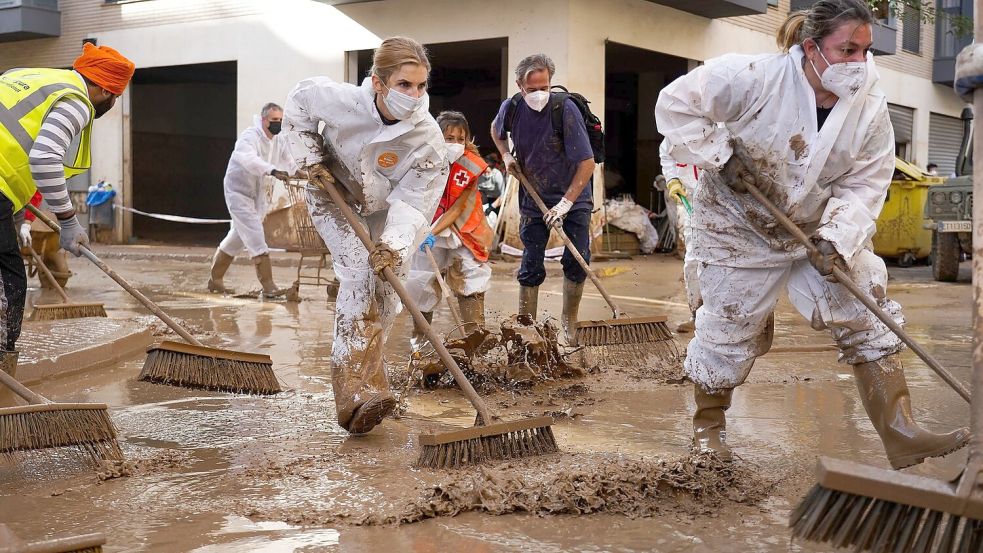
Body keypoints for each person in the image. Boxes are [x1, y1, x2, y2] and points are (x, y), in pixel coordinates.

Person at [655, 0, 969, 469]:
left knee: (867, 304)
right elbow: (675, 104)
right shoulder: (752, 76)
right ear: (811, 48)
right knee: (728, 324)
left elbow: (868, 180)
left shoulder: (870, 103)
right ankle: (708, 432)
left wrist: (836, 237)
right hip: (736, 223)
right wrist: (722, 154)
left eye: (865, 50)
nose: (858, 62)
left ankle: (901, 431)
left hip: (813, 227)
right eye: (846, 49)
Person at [282, 36, 448, 434]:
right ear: (378, 81)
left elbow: (414, 200)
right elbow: (298, 104)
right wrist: (310, 157)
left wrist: (393, 246)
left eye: (421, 85)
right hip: (332, 195)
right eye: (404, 85)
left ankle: (373, 382)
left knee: (388, 293)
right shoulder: (336, 99)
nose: (415, 94)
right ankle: (353, 394)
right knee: (357, 274)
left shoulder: (426, 136)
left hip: (386, 213)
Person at [0, 43, 134, 406]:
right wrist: (69, 220)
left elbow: (11, 142)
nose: (111, 105)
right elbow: (44, 159)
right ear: (105, 90)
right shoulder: (75, 100)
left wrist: (17, 211)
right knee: (7, 284)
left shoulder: (25, 76)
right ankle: (3, 387)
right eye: (116, 97)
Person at [490, 53, 596, 344]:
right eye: (532, 88)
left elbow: (587, 163)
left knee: (577, 259)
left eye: (544, 87)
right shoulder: (511, 108)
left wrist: (565, 203)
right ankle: (528, 327)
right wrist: (506, 155)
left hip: (574, 195)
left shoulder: (566, 110)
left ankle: (569, 323)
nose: (539, 94)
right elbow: (495, 130)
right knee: (531, 262)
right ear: (519, 85)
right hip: (533, 194)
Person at [405, 111, 493, 351]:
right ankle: (420, 345)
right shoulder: (421, 161)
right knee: (421, 282)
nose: (455, 144)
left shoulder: (469, 165)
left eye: (460, 139)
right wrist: (421, 231)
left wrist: (432, 231)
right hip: (427, 228)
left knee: (471, 280)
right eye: (449, 137)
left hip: (463, 230)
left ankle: (475, 345)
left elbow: (455, 210)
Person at [208, 102, 297, 298]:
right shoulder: (250, 137)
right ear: (264, 120)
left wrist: (298, 172)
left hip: (259, 195)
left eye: (281, 120)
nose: (278, 124)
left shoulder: (279, 140)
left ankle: (215, 280)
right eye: (274, 120)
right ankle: (268, 286)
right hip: (238, 192)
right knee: (256, 234)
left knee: (238, 237)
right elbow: (247, 159)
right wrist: (272, 170)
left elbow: (288, 160)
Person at [659, 138, 700, 333]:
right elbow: (666, 154)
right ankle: (698, 314)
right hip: (689, 199)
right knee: (693, 259)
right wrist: (672, 179)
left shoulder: (717, 124)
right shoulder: (672, 135)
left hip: (721, 201)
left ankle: (730, 317)